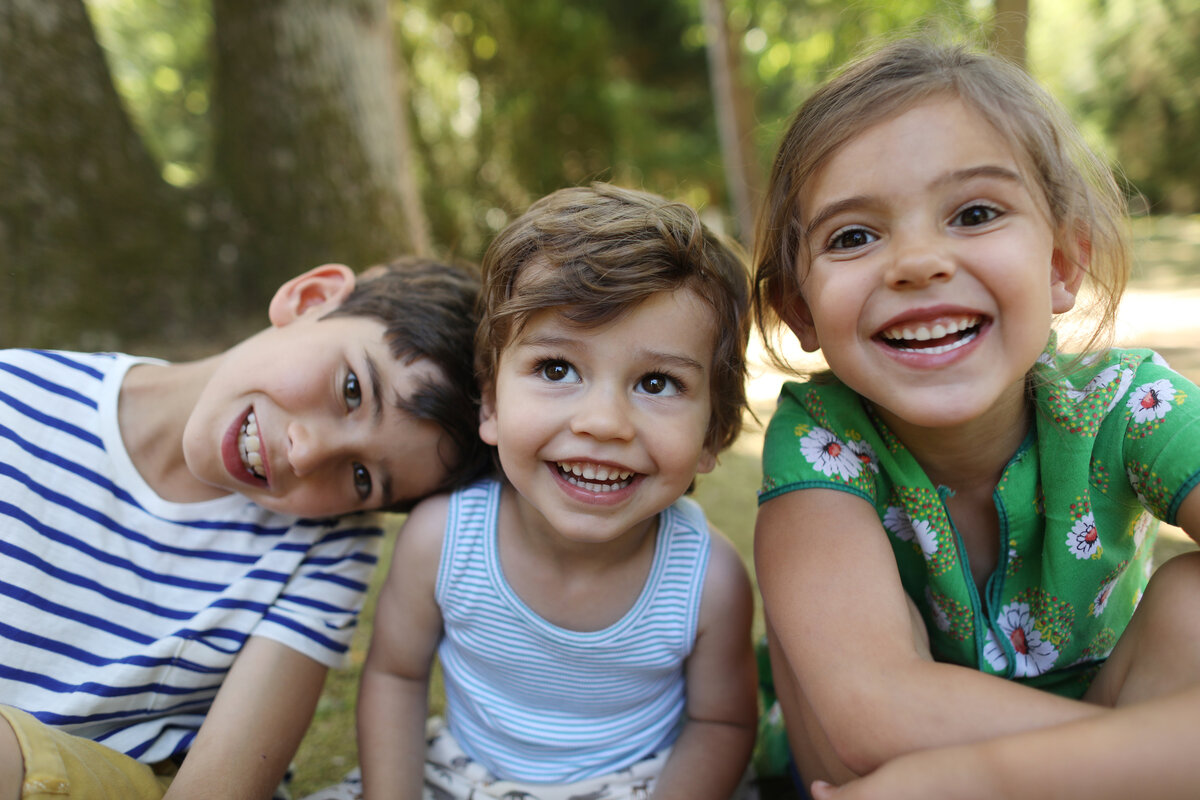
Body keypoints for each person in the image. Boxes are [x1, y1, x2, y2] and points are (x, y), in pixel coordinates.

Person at [751, 37, 1200, 800]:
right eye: (854, 236)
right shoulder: (822, 435)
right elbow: (874, 714)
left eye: (975, 213)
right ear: (801, 309)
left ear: (1061, 265)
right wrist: (1153, 760)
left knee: (1194, 600)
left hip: (1012, 750)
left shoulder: (1129, 404)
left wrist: (980, 777)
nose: (917, 261)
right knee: (812, 641)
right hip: (882, 767)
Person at [0, 256, 489, 800]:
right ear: (309, 299)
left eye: (360, 477)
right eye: (352, 389)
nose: (307, 452)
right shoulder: (16, 398)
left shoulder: (325, 543)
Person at [352, 183, 758, 800]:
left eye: (656, 381)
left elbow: (720, 723)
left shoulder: (708, 581)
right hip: (460, 776)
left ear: (714, 433)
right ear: (489, 402)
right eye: (556, 369)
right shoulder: (442, 540)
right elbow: (395, 675)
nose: (603, 422)